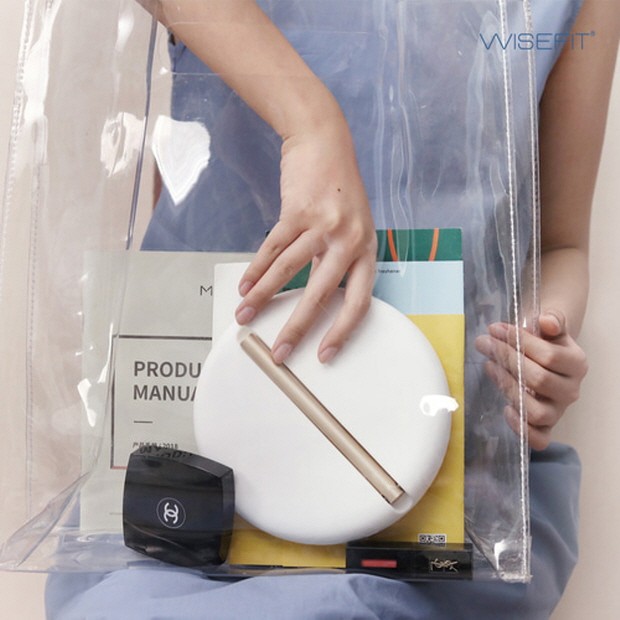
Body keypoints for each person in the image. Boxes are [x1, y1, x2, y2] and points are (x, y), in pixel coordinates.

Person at [45, 0, 620, 618]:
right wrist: (310, 123)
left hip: (441, 495)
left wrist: (538, 343)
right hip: (187, 484)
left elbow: (560, 247)